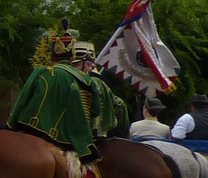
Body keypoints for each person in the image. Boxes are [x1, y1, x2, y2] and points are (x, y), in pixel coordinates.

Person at [9, 20, 101, 165]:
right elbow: (95, 111)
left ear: (52, 58)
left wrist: (10, 125)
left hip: (31, 129)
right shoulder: (86, 80)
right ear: (71, 59)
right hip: (66, 140)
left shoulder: (41, 72)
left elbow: (22, 98)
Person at [72, 41, 126, 139]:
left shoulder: (93, 83)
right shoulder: (100, 82)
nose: (73, 69)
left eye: (76, 65)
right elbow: (121, 106)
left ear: (88, 66)